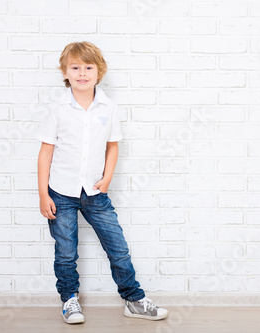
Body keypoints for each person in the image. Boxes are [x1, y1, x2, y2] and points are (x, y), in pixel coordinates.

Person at [36, 41, 168, 324]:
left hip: (95, 192)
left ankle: (133, 299)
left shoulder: (109, 106)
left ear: (99, 72)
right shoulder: (58, 108)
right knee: (66, 252)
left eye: (88, 67)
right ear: (65, 72)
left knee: (117, 247)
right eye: (75, 67)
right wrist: (43, 194)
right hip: (60, 191)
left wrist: (107, 179)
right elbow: (46, 152)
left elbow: (112, 146)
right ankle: (70, 300)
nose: (82, 73)